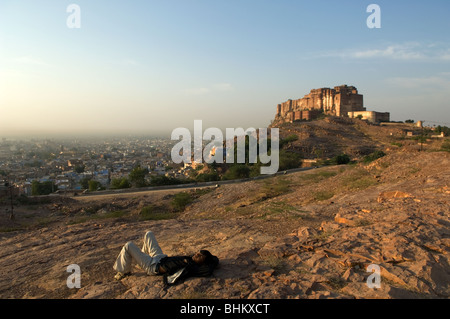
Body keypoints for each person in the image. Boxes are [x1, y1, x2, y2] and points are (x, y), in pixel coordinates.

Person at [113, 230, 219, 285]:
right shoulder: (191, 259)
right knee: (148, 234)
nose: (196, 254)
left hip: (152, 266)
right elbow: (215, 259)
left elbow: (208, 270)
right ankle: (141, 259)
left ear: (203, 262)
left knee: (128, 245)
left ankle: (124, 271)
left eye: (200, 256)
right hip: (160, 257)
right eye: (198, 253)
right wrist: (211, 260)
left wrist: (210, 263)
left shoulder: (190, 266)